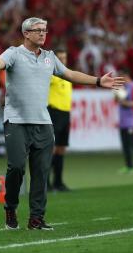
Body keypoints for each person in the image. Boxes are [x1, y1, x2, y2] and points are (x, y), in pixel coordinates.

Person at [0, 17, 124, 231]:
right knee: (17, 167)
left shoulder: (50, 58)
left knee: (41, 172)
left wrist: (97, 81)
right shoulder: (14, 53)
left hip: (43, 123)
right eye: (38, 30)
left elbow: (69, 74)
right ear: (26, 33)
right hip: (17, 121)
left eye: (45, 30)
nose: (42, 34)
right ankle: (10, 207)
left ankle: (36, 219)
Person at [47, 46, 72, 192]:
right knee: (50, 149)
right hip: (54, 113)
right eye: (60, 58)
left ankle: (58, 182)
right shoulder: (51, 73)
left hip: (65, 114)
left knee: (61, 149)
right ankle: (45, 183)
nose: (63, 60)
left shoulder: (67, 74)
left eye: (64, 58)